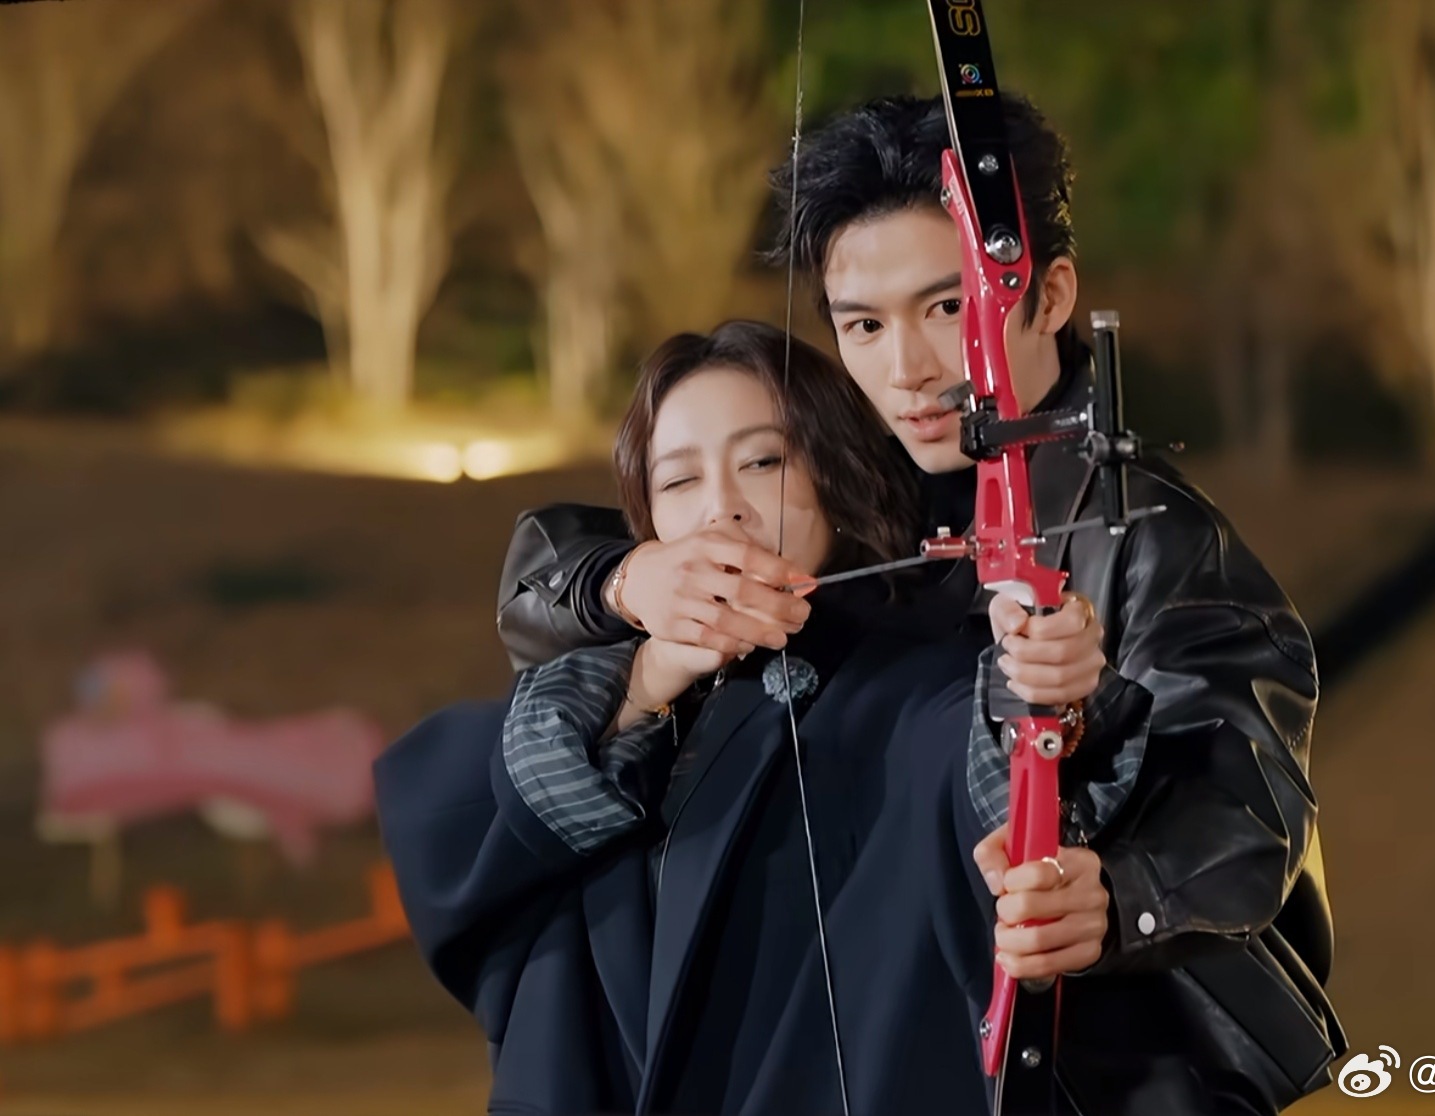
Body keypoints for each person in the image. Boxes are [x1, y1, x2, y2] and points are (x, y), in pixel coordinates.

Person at [494, 94, 1348, 1113]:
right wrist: (629, 580)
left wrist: (1119, 895)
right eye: (863, 324)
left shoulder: (1155, 539)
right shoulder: (864, 484)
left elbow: (1249, 797)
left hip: (1095, 1073)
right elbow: (550, 575)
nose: (907, 370)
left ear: (1049, 294)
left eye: (948, 309)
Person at [376, 322, 1119, 1116]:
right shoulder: (626, 703)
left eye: (763, 462)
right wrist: (647, 675)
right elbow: (464, 825)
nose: (721, 510)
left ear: (836, 475)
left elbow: (982, 768)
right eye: (678, 481)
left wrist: (1041, 689)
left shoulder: (919, 685)